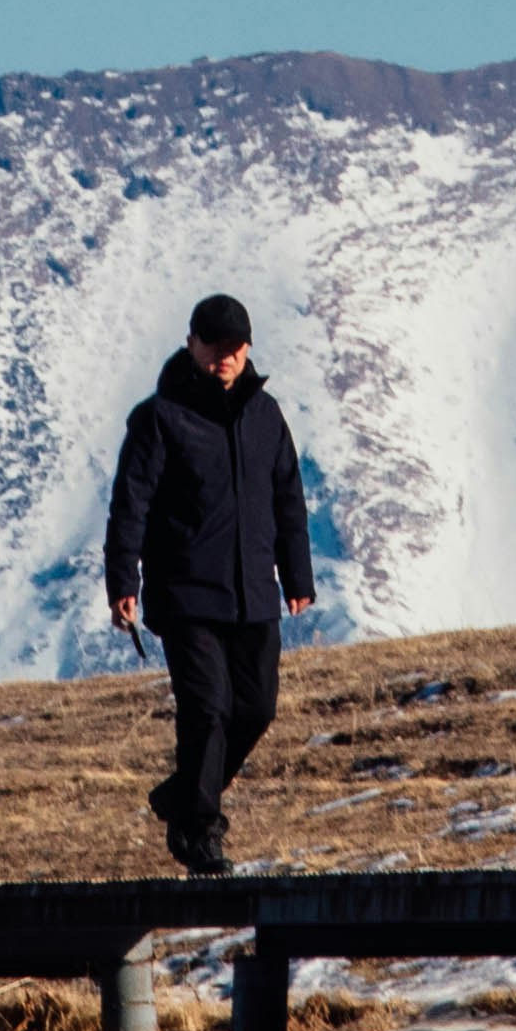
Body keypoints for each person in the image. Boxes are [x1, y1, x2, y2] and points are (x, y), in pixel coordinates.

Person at [103, 292, 315, 873]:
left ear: (246, 351)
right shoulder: (159, 417)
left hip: (253, 595)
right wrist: (122, 579)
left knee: (257, 707)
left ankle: (181, 796)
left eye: (234, 348)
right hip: (185, 594)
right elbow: (130, 506)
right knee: (208, 709)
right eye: (213, 346)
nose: (223, 357)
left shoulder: (266, 416)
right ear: (190, 342)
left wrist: (297, 574)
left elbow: (288, 499)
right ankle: (197, 831)